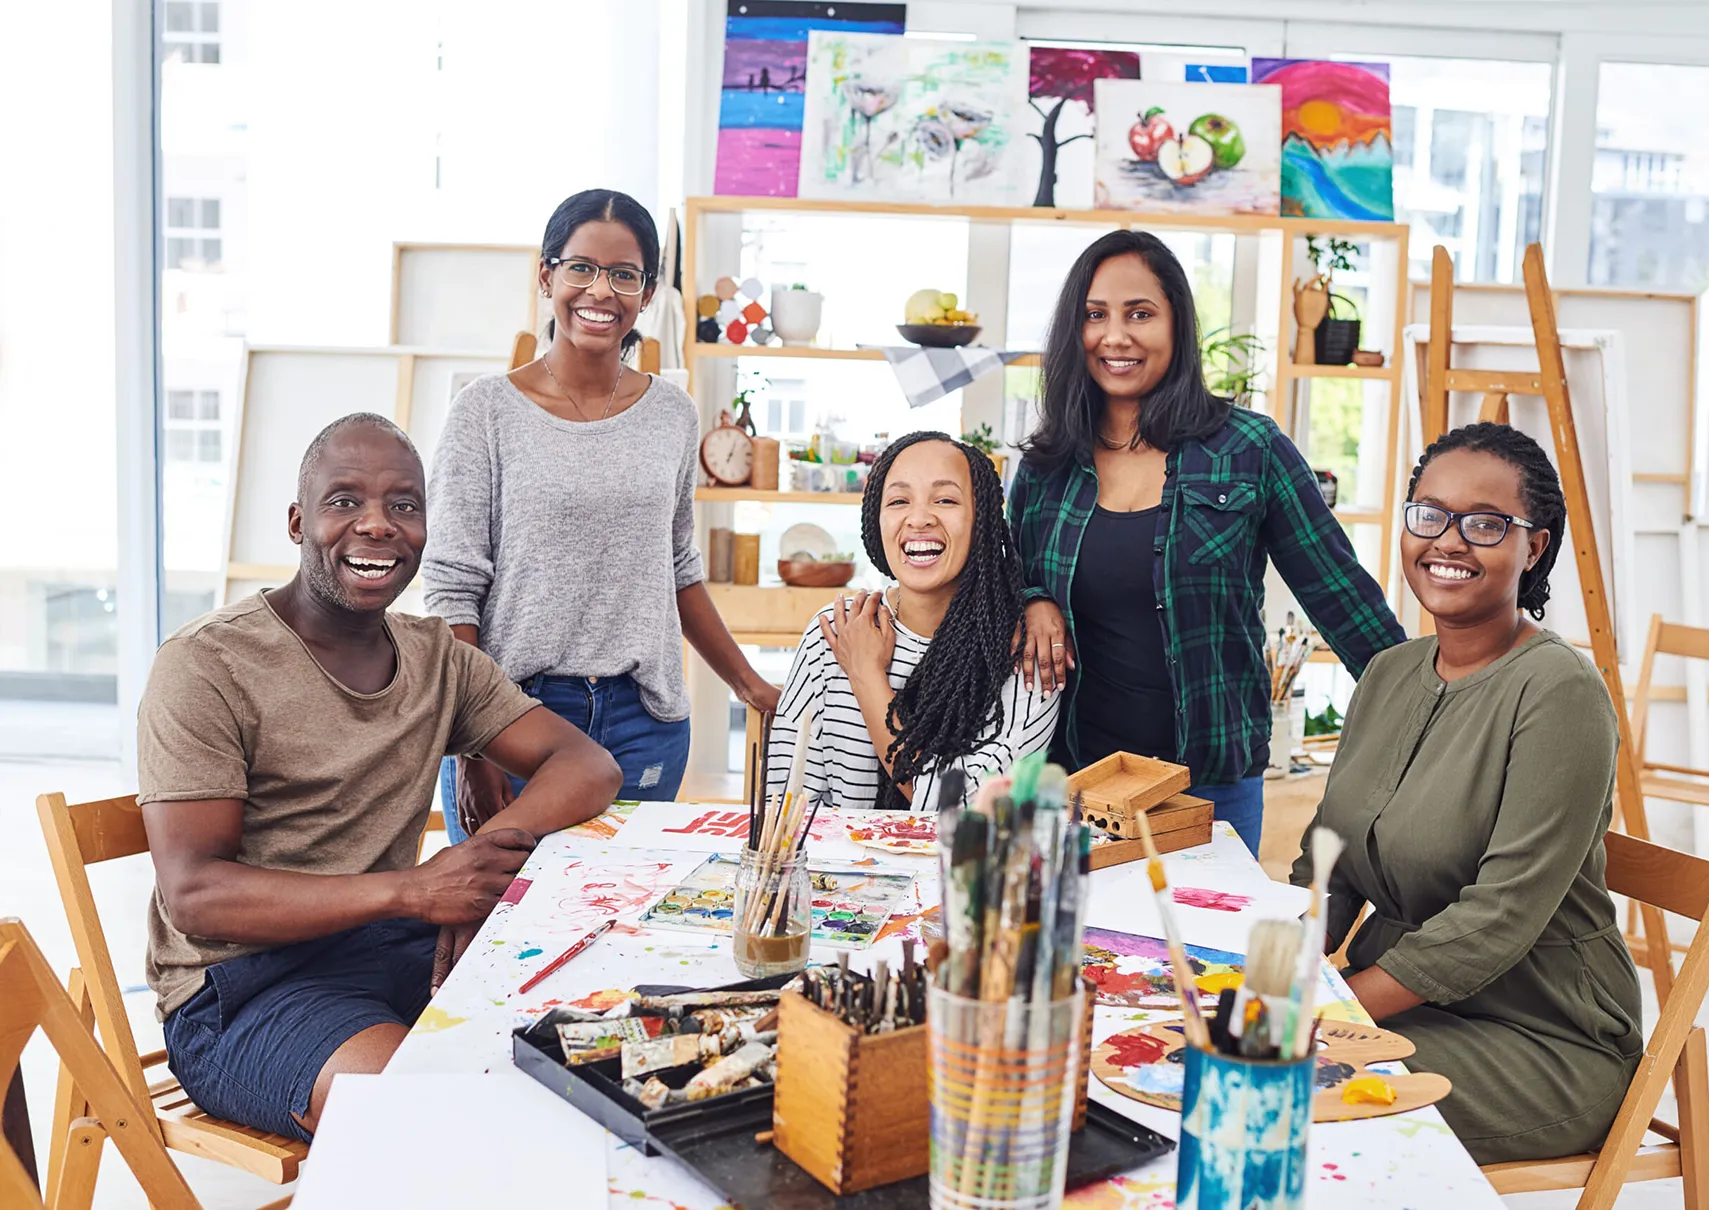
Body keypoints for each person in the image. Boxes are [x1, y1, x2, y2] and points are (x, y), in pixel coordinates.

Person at [140, 414, 623, 1142]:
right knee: (424, 1122)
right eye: (344, 502)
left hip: (389, 946)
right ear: (299, 521)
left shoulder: (438, 657)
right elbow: (197, 895)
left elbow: (588, 766)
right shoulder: (208, 665)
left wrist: (472, 864)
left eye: (404, 505)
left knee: (601, 1044)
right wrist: (415, 890)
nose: (377, 525)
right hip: (242, 990)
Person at [1290, 421, 1642, 1164]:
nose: (1447, 542)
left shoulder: (1560, 692)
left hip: (1541, 1039)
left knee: (1277, 1089)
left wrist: (1331, 1006)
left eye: (1485, 525)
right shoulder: (1388, 673)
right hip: (1405, 1011)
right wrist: (1281, 973)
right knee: (1208, 1052)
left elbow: (1499, 915)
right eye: (1430, 514)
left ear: (1534, 547)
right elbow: (1333, 865)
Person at [1009, 229, 1404, 857]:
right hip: (1078, 788)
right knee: (1080, 955)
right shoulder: (1046, 465)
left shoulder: (1249, 447)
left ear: (1177, 325)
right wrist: (1032, 596)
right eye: (1094, 315)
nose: (1116, 336)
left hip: (1211, 789)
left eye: (1140, 313)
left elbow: (1340, 595)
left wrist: (1436, 718)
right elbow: (1007, 576)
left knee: (1206, 957)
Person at [426, 188, 779, 842]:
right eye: (581, 268)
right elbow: (452, 593)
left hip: (644, 722)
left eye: (624, 275)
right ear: (546, 276)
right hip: (514, 721)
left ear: (648, 295)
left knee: (624, 924)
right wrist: (471, 744)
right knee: (499, 921)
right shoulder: (485, 413)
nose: (601, 291)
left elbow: (676, 567)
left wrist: (749, 683)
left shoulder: (673, 414)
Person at [765, 431, 1059, 811]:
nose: (919, 519)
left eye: (946, 500)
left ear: (981, 520)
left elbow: (961, 811)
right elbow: (785, 810)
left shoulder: (1026, 653)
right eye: (899, 500)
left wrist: (867, 676)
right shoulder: (835, 633)